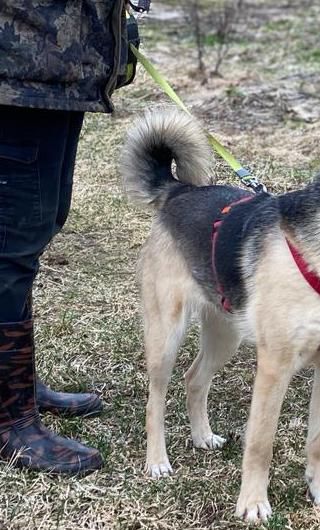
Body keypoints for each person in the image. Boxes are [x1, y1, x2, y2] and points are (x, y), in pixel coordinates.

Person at [0, 0, 136, 475]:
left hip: (55, 68)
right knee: (9, 245)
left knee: (40, 222)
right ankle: (10, 418)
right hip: (18, 67)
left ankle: (13, 385)